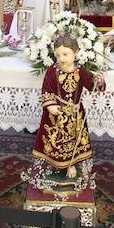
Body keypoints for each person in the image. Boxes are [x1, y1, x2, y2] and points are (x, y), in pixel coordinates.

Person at [32, 35, 103, 179]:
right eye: (58, 55)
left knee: (73, 141)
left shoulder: (80, 70)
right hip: (55, 115)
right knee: (55, 140)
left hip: (75, 114)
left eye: (65, 54)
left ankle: (71, 164)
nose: (61, 59)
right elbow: (46, 89)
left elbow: (91, 85)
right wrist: (50, 105)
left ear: (75, 52)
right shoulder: (52, 71)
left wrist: (98, 81)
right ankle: (53, 162)